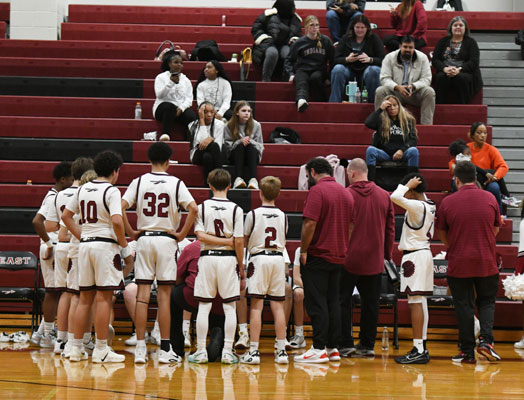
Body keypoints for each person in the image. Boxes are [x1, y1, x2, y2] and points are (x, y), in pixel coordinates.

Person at [121, 142, 198, 364]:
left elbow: (120, 206)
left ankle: (140, 348)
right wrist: (182, 234)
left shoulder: (139, 181)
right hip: (166, 240)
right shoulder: (176, 183)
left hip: (144, 239)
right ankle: (165, 349)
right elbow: (193, 208)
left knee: (142, 295)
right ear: (168, 161)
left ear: (149, 160)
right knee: (164, 296)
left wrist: (131, 232)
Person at [62, 150, 134, 363]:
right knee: (103, 298)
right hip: (105, 247)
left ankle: (75, 348)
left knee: (84, 299)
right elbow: (118, 221)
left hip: (85, 246)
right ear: (115, 171)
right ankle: (101, 349)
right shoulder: (112, 191)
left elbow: (66, 215)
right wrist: (124, 246)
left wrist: (82, 235)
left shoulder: (82, 189)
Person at [436, 161, 502, 364]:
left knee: (464, 305)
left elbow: (442, 233)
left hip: (459, 262)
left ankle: (467, 351)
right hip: (486, 260)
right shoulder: (490, 198)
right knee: (487, 301)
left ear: (456, 180)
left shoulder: (448, 202)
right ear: (475, 178)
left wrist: (456, 245)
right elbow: (496, 228)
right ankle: (486, 341)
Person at [295, 157, 354, 364]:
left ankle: (318, 348)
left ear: (312, 172)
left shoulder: (317, 191)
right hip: (339, 255)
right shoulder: (346, 193)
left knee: (317, 302)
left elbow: (309, 224)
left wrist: (304, 249)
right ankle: (332, 348)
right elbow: (351, 226)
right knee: (333, 302)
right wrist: (343, 245)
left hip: (319, 254)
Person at [188, 168, 245, 365]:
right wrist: (240, 263)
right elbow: (239, 241)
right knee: (230, 307)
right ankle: (228, 352)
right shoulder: (237, 209)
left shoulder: (201, 207)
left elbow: (200, 236)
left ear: (209, 185)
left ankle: (201, 351)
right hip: (228, 259)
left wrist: (219, 241)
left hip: (208, 258)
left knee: (204, 306)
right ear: (229, 186)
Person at [341, 158, 395, 357]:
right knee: (371, 304)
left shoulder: (345, 195)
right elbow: (390, 229)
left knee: (343, 302)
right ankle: (367, 345)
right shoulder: (384, 195)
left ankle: (345, 343)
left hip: (348, 258)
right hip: (374, 259)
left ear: (353, 173)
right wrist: (386, 255)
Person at [44, 157, 94, 355]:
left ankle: (61, 340)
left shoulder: (59, 195)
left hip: (61, 247)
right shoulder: (86, 193)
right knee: (80, 295)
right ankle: (79, 340)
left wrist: (63, 229)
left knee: (65, 293)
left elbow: (49, 226)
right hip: (78, 245)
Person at [240, 176, 289, 365]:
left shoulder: (253, 214)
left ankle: (253, 351)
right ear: (278, 194)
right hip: (277, 259)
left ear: (260, 193)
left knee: (256, 306)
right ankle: (282, 351)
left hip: (259, 259)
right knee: (278, 306)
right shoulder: (283, 215)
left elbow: (244, 240)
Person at [391, 173, 435, 364]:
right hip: (423, 254)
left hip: (415, 256)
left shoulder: (417, 206)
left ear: (412, 191)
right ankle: (421, 346)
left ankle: (419, 348)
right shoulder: (430, 204)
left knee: (415, 302)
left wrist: (407, 185)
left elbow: (394, 197)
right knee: (420, 301)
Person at [31, 161, 73, 348]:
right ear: (63, 179)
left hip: (54, 246)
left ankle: (40, 333)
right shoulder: (53, 197)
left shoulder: (55, 195)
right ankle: (48, 335)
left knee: (57, 292)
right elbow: (37, 222)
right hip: (53, 246)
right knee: (53, 292)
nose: (73, 182)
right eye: (71, 179)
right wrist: (48, 243)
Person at [170, 240, 226, 361]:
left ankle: (177, 346)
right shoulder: (229, 248)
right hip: (222, 299)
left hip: (195, 295)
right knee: (227, 301)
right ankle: (222, 340)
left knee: (172, 295)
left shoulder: (192, 247)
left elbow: (177, 278)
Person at [376, 35, 435, 125]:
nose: (408, 49)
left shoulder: (422, 58)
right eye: (405, 47)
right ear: (400, 46)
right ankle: (381, 124)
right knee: (380, 91)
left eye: (410, 47)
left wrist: (414, 86)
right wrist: (397, 87)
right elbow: (384, 78)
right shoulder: (389, 57)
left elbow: (426, 79)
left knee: (429, 92)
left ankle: (426, 125)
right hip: (395, 92)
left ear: (414, 48)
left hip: (414, 93)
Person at [329, 14, 384, 104]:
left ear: (367, 28)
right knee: (337, 69)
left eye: (362, 27)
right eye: (357, 27)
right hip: (349, 70)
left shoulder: (374, 39)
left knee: (374, 70)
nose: (360, 30)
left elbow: (383, 59)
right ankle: (334, 103)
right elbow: (335, 59)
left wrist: (370, 59)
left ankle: (374, 104)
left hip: (367, 70)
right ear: (353, 27)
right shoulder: (345, 38)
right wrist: (347, 59)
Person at [285, 15, 335, 112]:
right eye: (312, 25)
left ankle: (321, 104)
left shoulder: (325, 41)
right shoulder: (299, 42)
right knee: (301, 79)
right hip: (302, 69)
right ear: (306, 27)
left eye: (317, 25)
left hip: (319, 70)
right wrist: (291, 74)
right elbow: (289, 60)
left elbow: (333, 60)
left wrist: (329, 77)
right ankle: (301, 101)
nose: (314, 27)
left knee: (315, 78)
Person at [447, 138, 516, 208]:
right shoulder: (463, 158)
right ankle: (506, 195)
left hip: (472, 178)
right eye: (468, 154)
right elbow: (475, 167)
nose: (470, 156)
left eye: (470, 154)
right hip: (470, 180)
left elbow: (503, 167)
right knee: (494, 173)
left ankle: (505, 196)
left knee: (494, 181)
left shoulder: (460, 157)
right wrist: (486, 173)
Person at [365, 95, 419, 181]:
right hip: (385, 154)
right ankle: (370, 182)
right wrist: (380, 109)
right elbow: (368, 123)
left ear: (399, 106)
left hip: (402, 153)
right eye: (389, 106)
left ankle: (412, 182)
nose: (392, 108)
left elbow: (413, 139)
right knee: (370, 150)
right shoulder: (381, 119)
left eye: (395, 105)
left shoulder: (407, 120)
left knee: (414, 151)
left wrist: (402, 150)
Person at [432, 16, 482, 105]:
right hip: (445, 70)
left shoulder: (471, 42)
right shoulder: (442, 41)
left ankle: (464, 106)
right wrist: (445, 69)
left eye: (461, 25)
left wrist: (459, 69)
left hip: (464, 71)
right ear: (451, 28)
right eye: (455, 25)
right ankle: (440, 106)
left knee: (461, 78)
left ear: (465, 28)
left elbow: (474, 61)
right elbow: (435, 60)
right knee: (441, 77)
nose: (458, 27)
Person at [252, 0, 302, 82]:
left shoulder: (295, 19)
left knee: (288, 54)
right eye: (293, 7)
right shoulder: (269, 15)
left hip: (285, 44)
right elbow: (256, 29)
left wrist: (293, 40)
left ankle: (286, 80)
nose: (294, 9)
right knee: (272, 53)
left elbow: (297, 34)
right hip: (269, 44)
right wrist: (265, 39)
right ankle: (266, 80)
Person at [465, 122, 509, 213]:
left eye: (485, 133)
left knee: (494, 187)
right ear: (472, 135)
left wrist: (495, 177)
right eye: (479, 133)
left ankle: (500, 215)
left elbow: (503, 166)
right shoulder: (466, 148)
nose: (483, 135)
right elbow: (454, 163)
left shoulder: (491, 149)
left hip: (487, 181)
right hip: (470, 180)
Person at [153, 50, 196, 140]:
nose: (179, 65)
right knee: (169, 107)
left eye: (181, 63)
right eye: (176, 62)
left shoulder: (186, 80)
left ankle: (189, 140)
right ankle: (165, 134)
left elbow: (189, 99)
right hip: (163, 109)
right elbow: (160, 95)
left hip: (179, 109)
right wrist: (171, 82)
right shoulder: (161, 77)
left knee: (191, 116)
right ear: (169, 64)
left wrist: (181, 108)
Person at [223, 101, 264, 190]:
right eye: (244, 111)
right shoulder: (229, 125)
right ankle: (238, 179)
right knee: (241, 145)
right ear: (237, 113)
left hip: (252, 155)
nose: (247, 113)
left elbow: (260, 146)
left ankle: (253, 179)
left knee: (249, 146)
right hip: (235, 155)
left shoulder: (256, 125)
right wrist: (239, 141)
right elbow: (227, 147)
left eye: (249, 111)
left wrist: (249, 141)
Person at [188, 102, 226, 186]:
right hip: (197, 154)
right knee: (212, 146)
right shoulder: (192, 125)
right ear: (200, 112)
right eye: (205, 112)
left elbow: (218, 147)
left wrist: (210, 140)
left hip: (213, 154)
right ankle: (221, 179)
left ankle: (208, 184)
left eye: (212, 112)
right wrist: (201, 120)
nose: (209, 115)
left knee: (207, 157)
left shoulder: (220, 124)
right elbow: (202, 144)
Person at [289, 246, 307, 349]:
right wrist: (309, 288)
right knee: (298, 294)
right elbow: (296, 277)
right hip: (304, 285)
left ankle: (326, 336)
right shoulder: (300, 250)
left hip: (320, 286)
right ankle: (299, 335)